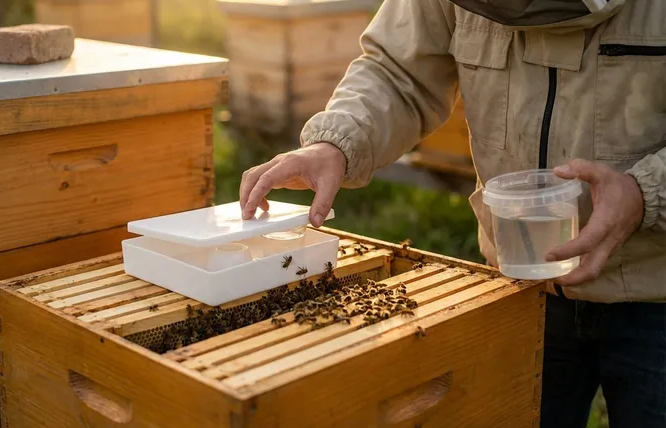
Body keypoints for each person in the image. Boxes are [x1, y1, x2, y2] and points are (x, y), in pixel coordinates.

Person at [238, 0, 666, 426]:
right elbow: (397, 70)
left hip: (655, 291)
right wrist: (335, 141)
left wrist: (644, 193)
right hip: (516, 281)